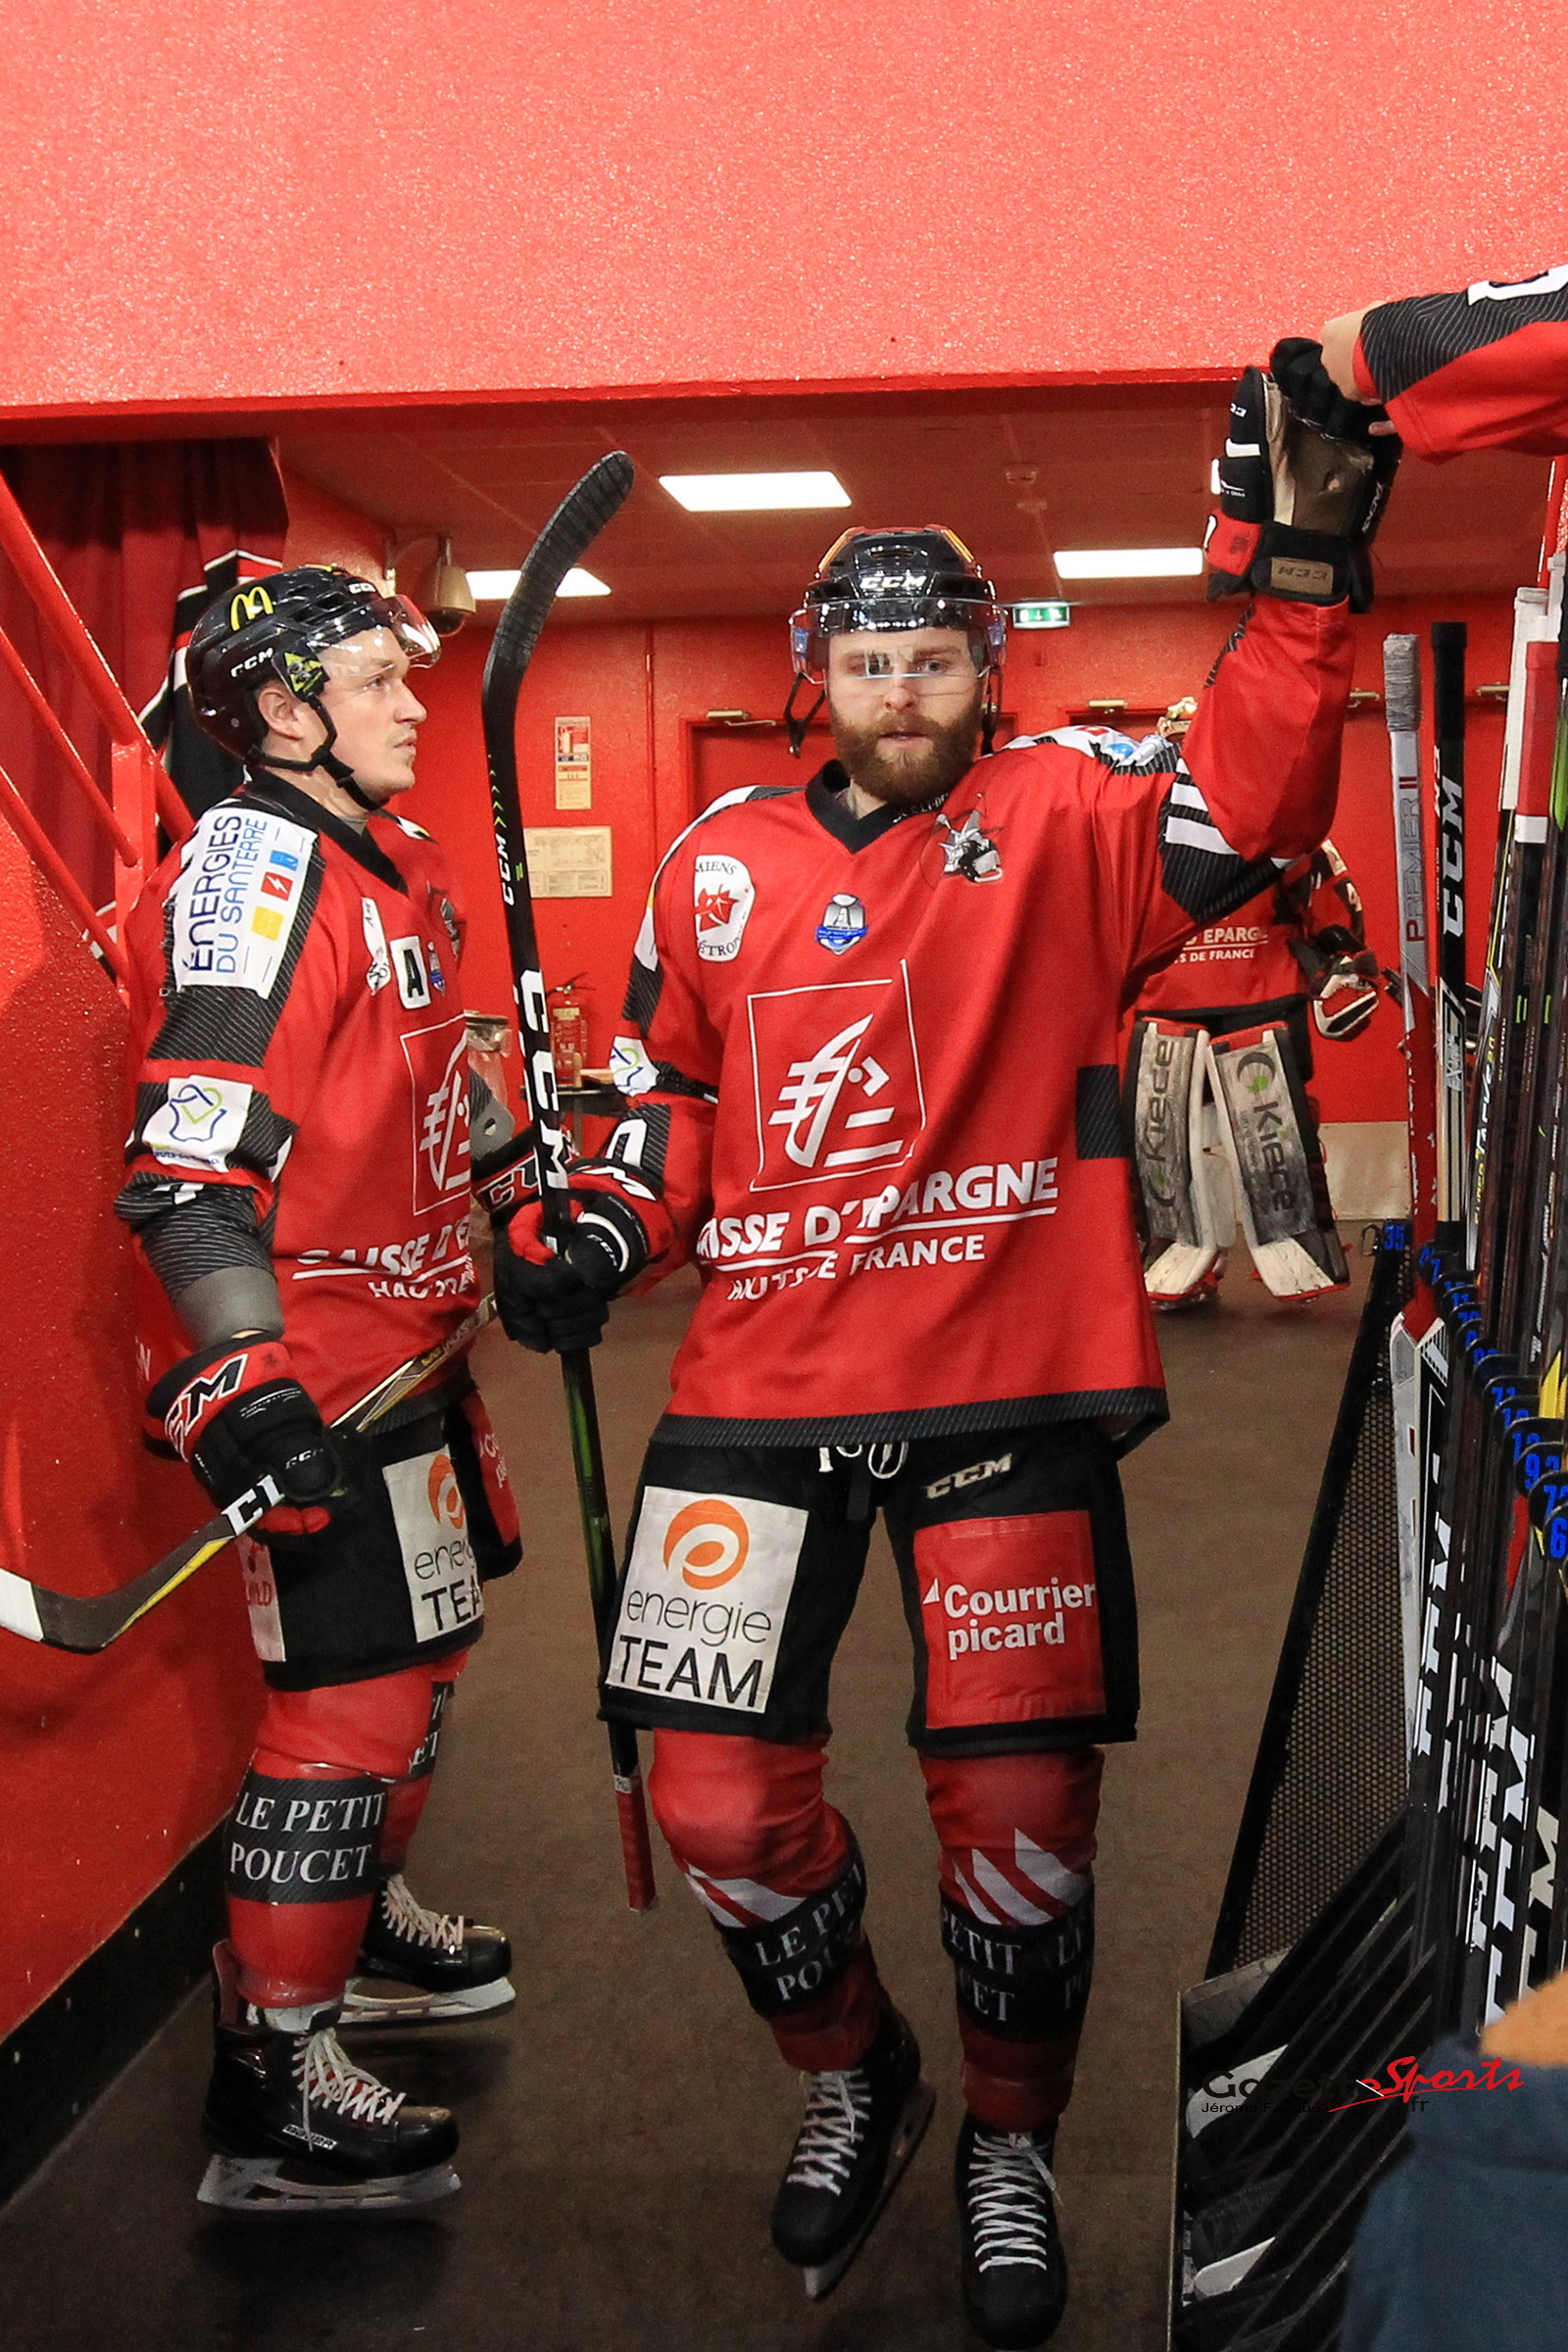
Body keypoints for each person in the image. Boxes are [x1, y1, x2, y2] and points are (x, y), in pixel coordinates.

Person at [486, 364, 1394, 2348]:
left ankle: (1010, 2133)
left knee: (1022, 1825)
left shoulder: (1071, 810)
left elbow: (1253, 800)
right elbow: (664, 1104)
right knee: (717, 1811)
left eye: (934, 657)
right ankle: (855, 2069)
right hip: (755, 1398)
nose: (901, 690)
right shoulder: (712, 861)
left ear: (987, 669)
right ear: (814, 673)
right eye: (866, 658)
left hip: (1003, 1390)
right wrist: (599, 1226)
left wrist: (1305, 583)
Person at [115, 566, 525, 2215]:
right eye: (375, 680)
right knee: (346, 1708)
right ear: (285, 713)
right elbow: (187, 1169)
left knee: (426, 1666)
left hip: (419, 1345)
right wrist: (248, 1388)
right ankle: (275, 2073)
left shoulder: (393, 854)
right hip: (327, 1374)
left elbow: (441, 1074)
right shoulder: (257, 870)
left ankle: (357, 1929)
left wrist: (534, 1204)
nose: (413, 704)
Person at [1119, 700, 1382, 1311]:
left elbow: (1328, 895)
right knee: (1163, 1142)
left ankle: (1295, 1250)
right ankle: (1180, 1259)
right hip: (1167, 1001)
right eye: (1179, 746)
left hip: (1261, 994)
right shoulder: (1135, 835)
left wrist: (1343, 963)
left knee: (1273, 1136)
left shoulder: (1280, 825)